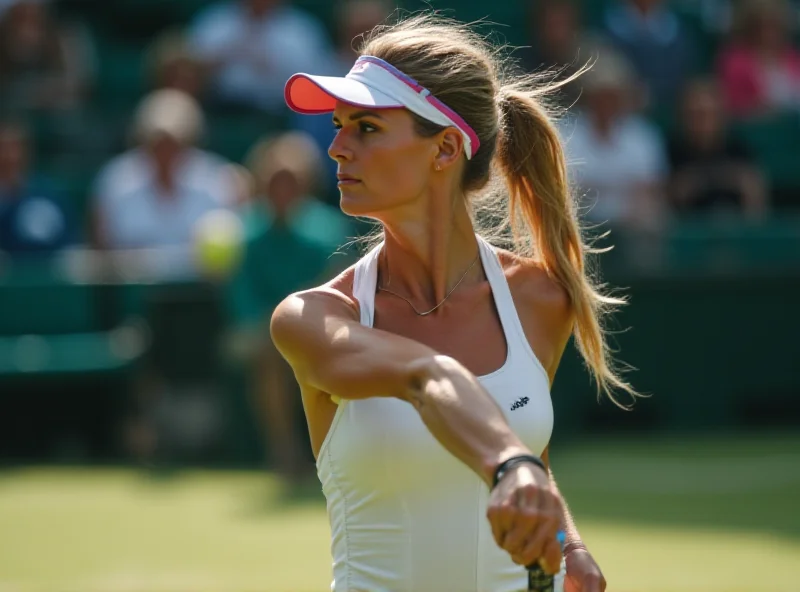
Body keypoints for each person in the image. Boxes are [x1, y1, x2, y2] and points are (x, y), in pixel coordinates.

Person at [273, 14, 629, 592]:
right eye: (338, 126)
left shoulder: (541, 299)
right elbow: (426, 377)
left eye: (364, 127)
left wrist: (571, 545)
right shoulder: (310, 318)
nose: (336, 148)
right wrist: (513, 468)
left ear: (444, 148)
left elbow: (527, 448)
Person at [228, 131, 355, 480]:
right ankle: (284, 454)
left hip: (324, 333)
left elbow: (340, 291)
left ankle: (335, 455)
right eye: (274, 182)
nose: (282, 190)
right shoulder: (246, 235)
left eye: (290, 181)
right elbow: (243, 298)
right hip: (264, 336)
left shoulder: (329, 230)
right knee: (268, 361)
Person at [91, 89, 239, 277]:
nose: (166, 153)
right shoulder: (114, 181)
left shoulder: (219, 180)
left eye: (174, 143)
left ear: (191, 140)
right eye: (157, 143)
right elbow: (102, 250)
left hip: (205, 294)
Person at [560, 49, 668, 232]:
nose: (606, 103)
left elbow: (650, 189)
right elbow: (566, 188)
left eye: (612, 96)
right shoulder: (566, 131)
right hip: (579, 221)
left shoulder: (642, 135)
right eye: (600, 96)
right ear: (589, 97)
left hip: (631, 223)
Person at [668, 80, 767, 217]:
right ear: (684, 117)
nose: (704, 122)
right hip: (687, 228)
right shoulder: (672, 151)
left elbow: (753, 190)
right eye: (697, 115)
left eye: (710, 114)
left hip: (735, 228)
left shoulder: (738, 148)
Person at [0, 120, 73, 255]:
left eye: (16, 147)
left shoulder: (48, 194)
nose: (10, 155)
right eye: (4, 148)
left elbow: (67, 244)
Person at [717, 0, 800, 118]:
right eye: (762, 25)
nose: (769, 32)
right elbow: (736, 111)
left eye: (774, 24)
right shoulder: (735, 62)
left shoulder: (793, 55)